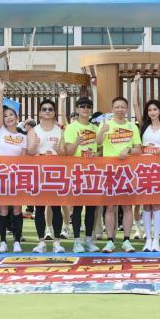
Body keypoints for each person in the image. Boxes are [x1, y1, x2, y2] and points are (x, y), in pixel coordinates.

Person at [133, 74, 160, 252]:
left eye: (155, 109)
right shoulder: (144, 126)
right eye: (149, 110)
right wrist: (135, 83)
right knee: (145, 204)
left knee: (156, 204)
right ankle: (147, 240)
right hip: (143, 169)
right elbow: (135, 105)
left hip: (158, 169)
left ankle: (156, 240)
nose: (152, 112)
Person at [97, 96, 141, 253]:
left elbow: (138, 149)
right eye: (117, 107)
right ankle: (110, 241)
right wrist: (102, 131)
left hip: (127, 172)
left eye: (122, 107)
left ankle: (126, 240)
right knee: (110, 207)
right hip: (109, 171)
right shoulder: (105, 124)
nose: (120, 109)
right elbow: (98, 143)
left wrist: (128, 150)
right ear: (112, 109)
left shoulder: (132, 126)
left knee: (127, 207)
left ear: (127, 109)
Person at [27, 98, 66, 253]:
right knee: (39, 207)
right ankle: (41, 242)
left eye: (50, 109)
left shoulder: (60, 130)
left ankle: (57, 242)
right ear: (39, 113)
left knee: (56, 207)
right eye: (44, 109)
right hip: (39, 173)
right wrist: (35, 145)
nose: (47, 111)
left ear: (54, 113)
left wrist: (58, 150)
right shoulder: (33, 131)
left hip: (55, 173)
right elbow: (30, 152)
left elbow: (64, 153)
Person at [0, 80, 25, 253]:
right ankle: (3, 242)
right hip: (1, 175)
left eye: (11, 115)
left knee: (17, 208)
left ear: (17, 118)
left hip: (17, 177)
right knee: (3, 208)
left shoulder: (23, 137)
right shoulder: (0, 131)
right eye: (6, 116)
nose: (8, 118)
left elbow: (24, 159)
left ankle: (17, 241)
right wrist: (0, 93)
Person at [64, 95, 101, 252]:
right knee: (78, 208)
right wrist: (76, 143)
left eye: (88, 107)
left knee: (91, 208)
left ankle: (89, 240)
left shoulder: (95, 128)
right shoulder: (71, 128)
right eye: (82, 106)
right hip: (77, 171)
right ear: (77, 109)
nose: (85, 109)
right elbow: (68, 151)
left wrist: (96, 155)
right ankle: (77, 241)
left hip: (92, 172)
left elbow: (101, 149)